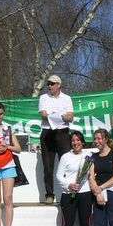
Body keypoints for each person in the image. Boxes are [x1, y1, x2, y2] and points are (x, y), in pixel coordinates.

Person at [52, 131, 94, 226]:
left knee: (86, 225)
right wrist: (68, 185)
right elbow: (59, 176)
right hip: (68, 194)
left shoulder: (89, 156)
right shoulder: (65, 157)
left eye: (78, 140)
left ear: (82, 142)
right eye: (73, 141)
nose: (75, 143)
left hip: (85, 194)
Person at [38, 74, 74, 204]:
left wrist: (54, 115)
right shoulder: (43, 97)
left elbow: (70, 117)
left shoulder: (67, 98)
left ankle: (69, 192)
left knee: (67, 163)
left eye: (52, 84)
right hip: (47, 132)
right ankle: (49, 194)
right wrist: (61, 116)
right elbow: (43, 115)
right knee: (48, 166)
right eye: (48, 83)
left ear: (59, 85)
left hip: (62, 133)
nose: (49, 86)